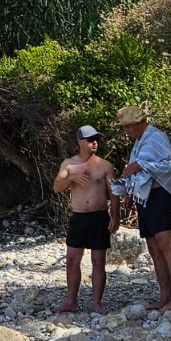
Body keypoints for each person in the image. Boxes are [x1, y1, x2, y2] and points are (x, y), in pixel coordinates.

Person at [115, 105, 171, 311]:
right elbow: (135, 171)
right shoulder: (139, 143)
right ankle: (165, 296)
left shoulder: (156, 137)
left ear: (138, 123)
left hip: (159, 195)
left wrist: (139, 166)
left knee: (165, 244)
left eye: (127, 126)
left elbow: (168, 166)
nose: (126, 131)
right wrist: (129, 194)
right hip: (144, 197)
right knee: (153, 248)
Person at [51, 124, 121, 313]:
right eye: (90, 139)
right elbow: (57, 187)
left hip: (99, 217)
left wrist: (116, 216)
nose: (94, 142)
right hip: (79, 217)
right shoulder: (69, 164)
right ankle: (70, 301)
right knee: (72, 259)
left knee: (98, 260)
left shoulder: (105, 165)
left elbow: (114, 192)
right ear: (80, 142)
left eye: (96, 139)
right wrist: (72, 178)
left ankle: (97, 303)